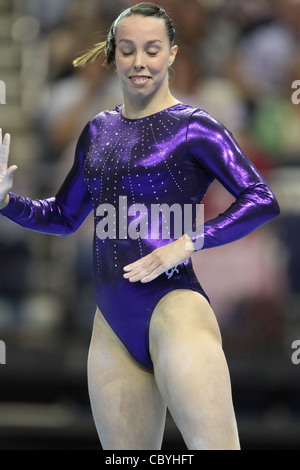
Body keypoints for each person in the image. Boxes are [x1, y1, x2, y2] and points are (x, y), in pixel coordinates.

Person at [0, 3, 279, 450]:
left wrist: (188, 241)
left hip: (176, 312)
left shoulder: (195, 128)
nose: (140, 62)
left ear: (172, 53)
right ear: (113, 56)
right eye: (127, 50)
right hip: (111, 324)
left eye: (152, 49)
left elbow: (262, 199)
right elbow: (64, 217)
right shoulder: (97, 131)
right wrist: (5, 202)